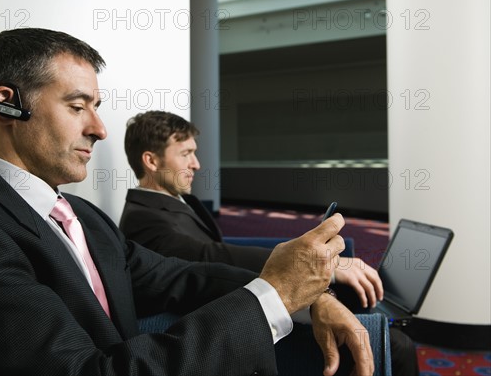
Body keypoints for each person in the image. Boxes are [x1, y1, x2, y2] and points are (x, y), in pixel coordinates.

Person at [0, 28, 374, 376]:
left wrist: (310, 299)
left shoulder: (82, 217)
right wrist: (277, 295)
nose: (99, 129)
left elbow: (181, 277)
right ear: (6, 105)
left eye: (96, 109)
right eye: (78, 107)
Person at [120, 110, 419, 376]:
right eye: (185, 154)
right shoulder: (144, 219)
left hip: (235, 290)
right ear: (151, 160)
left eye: (194, 153)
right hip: (227, 319)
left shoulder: (179, 201)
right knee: (398, 346)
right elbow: (209, 256)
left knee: (357, 296)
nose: (196, 164)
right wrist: (314, 266)